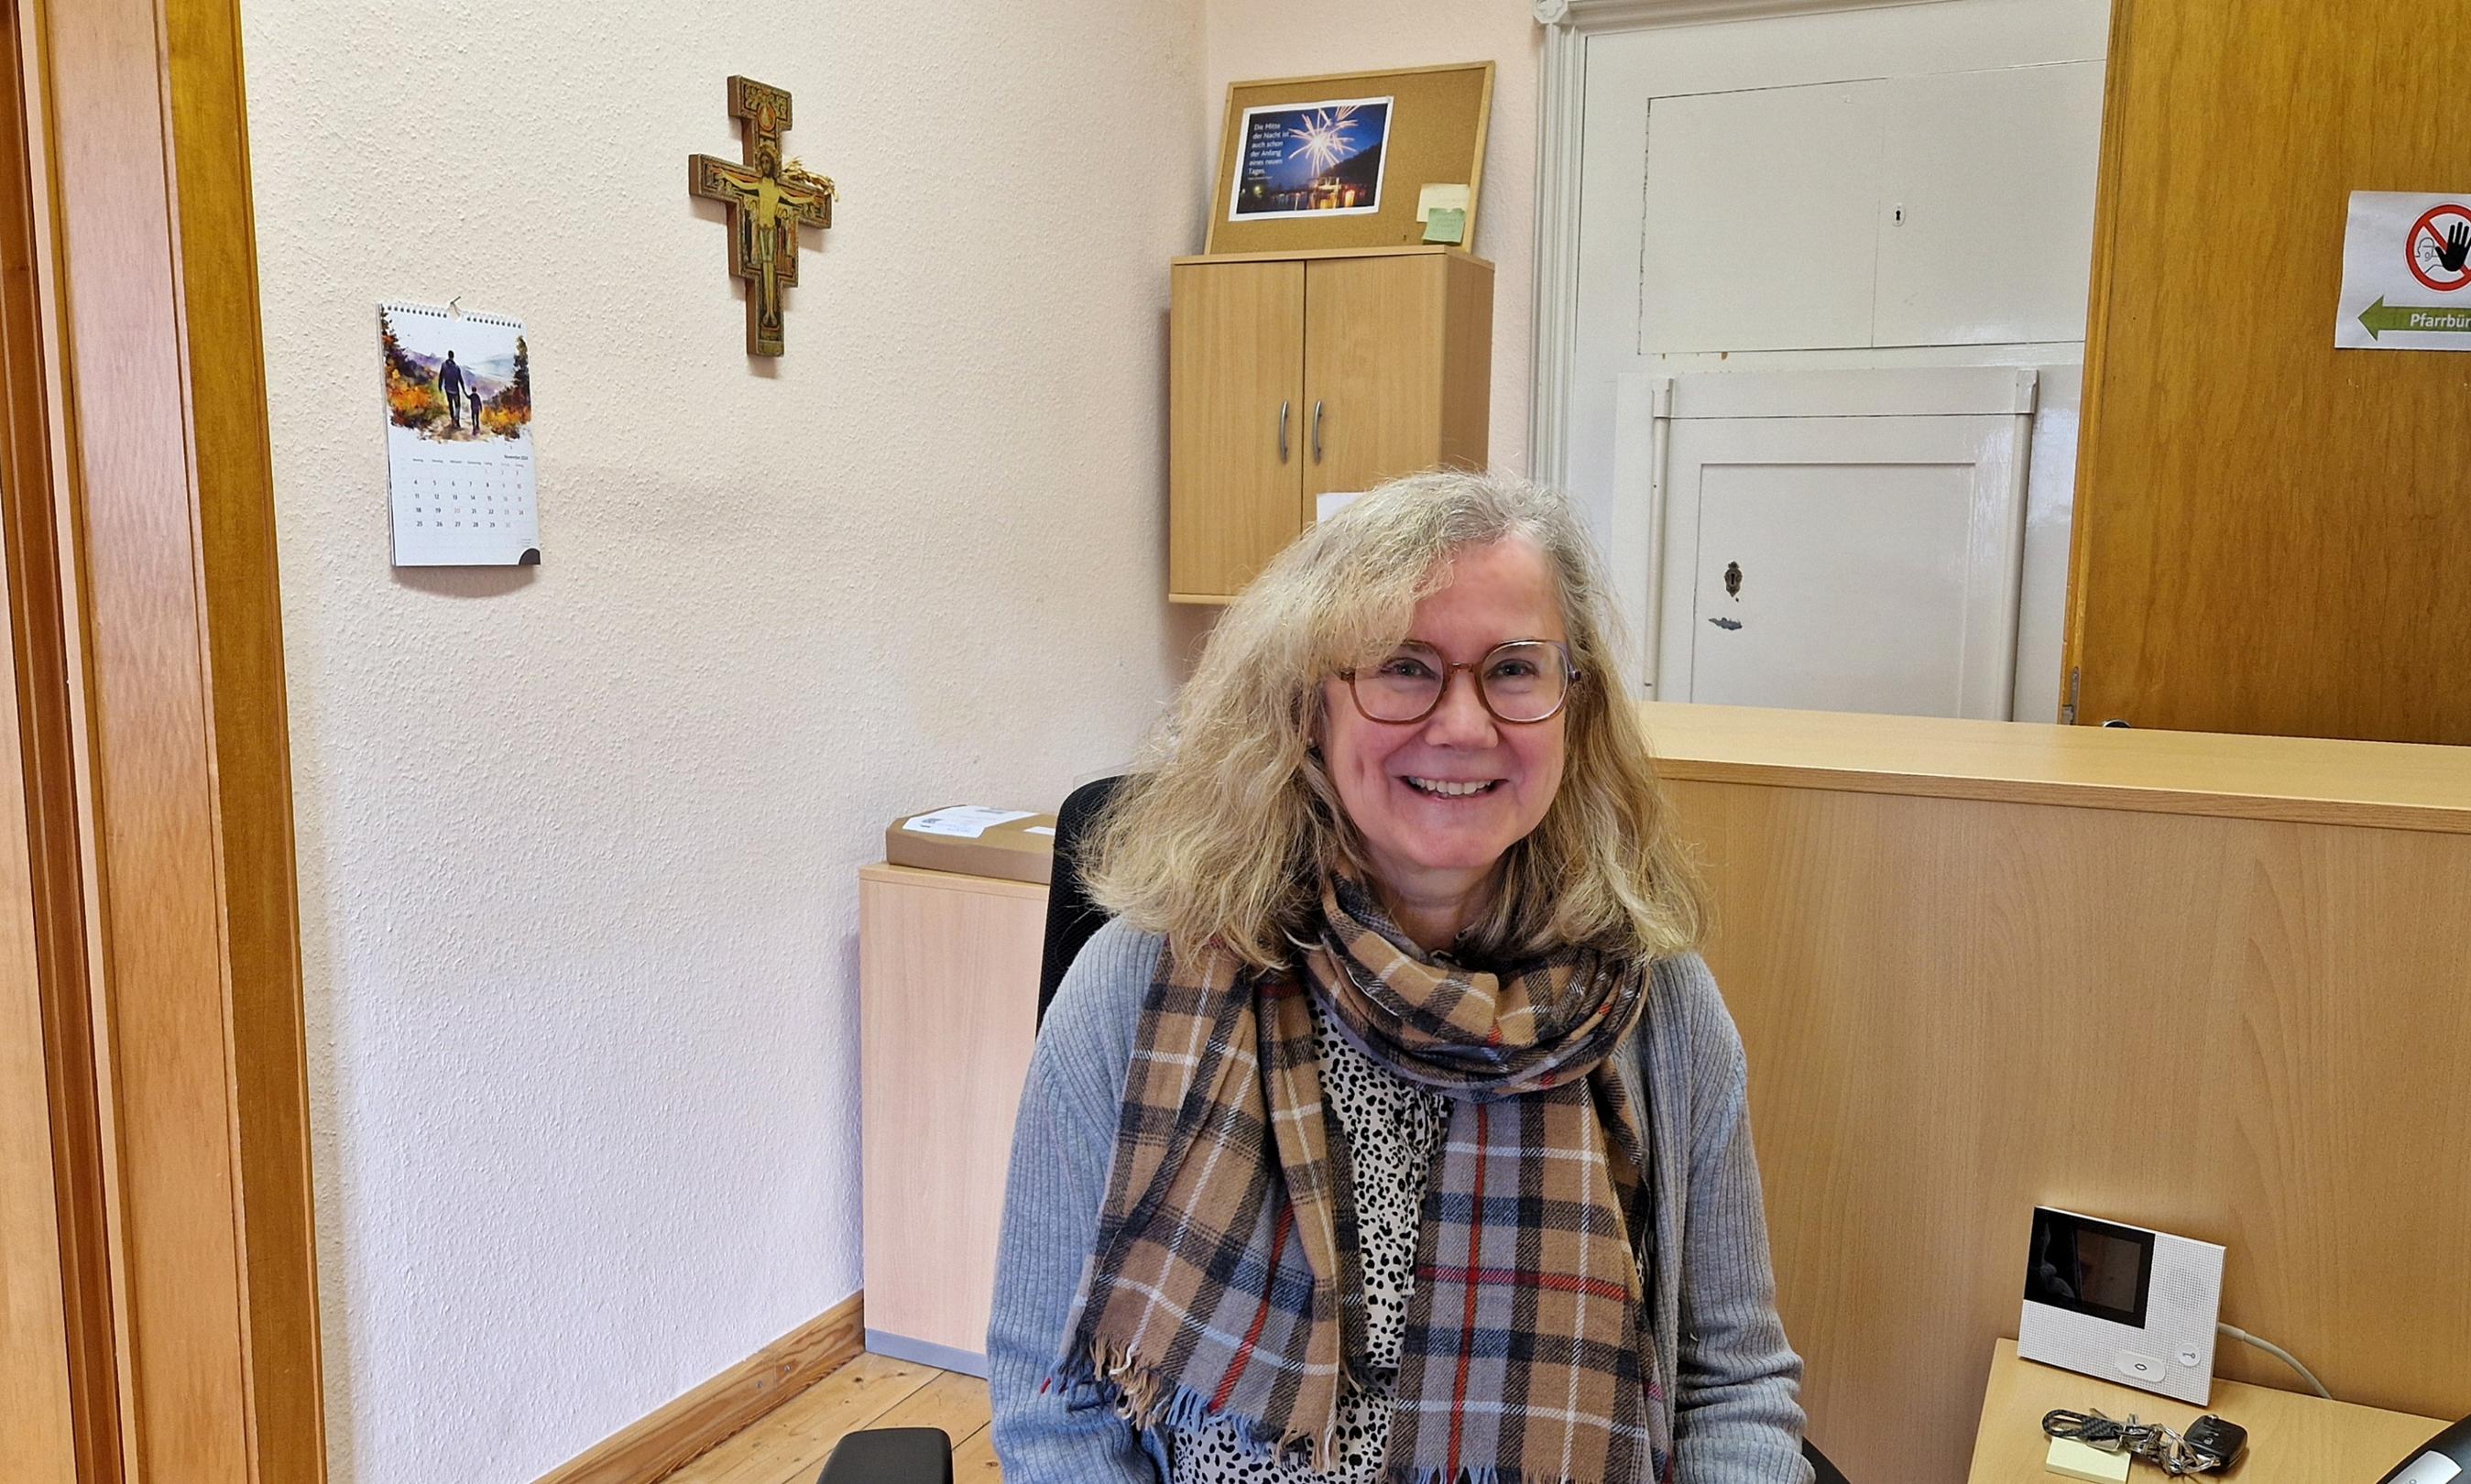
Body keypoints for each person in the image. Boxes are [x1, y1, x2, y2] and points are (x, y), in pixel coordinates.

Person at [987, 470, 1810, 1484]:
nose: (1464, 726)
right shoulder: (1139, 984)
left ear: (1574, 706)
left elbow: (1731, 1388)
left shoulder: (1662, 1014)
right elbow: (1054, 1402)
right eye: (1403, 667)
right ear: (1306, 709)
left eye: (1513, 668)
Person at [439, 350, 465, 432]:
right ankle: (457, 419)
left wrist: (439, 386)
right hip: (455, 390)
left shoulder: (444, 365)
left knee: (450, 404)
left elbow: (441, 376)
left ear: (448, 355)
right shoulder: (456, 367)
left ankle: (453, 419)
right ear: (453, 356)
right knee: (457, 405)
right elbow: (460, 379)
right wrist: (463, 388)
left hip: (448, 389)